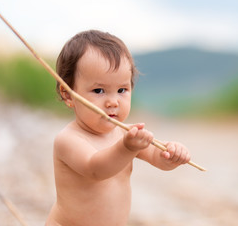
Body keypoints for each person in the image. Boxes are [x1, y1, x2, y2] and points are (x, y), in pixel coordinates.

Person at [45, 30, 191, 226]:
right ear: (69, 95)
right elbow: (96, 169)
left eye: (122, 90)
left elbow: (157, 157)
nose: (113, 102)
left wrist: (171, 155)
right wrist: (127, 148)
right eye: (99, 90)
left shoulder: (124, 134)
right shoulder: (69, 139)